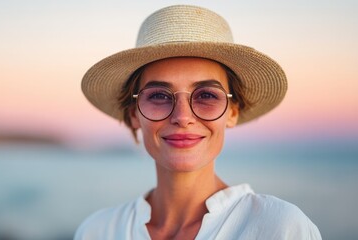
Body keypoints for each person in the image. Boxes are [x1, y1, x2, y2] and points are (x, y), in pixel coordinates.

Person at [75, 5, 321, 240]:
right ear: (133, 114)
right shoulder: (97, 231)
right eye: (159, 95)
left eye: (206, 95)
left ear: (232, 112)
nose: (182, 117)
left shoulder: (279, 228)